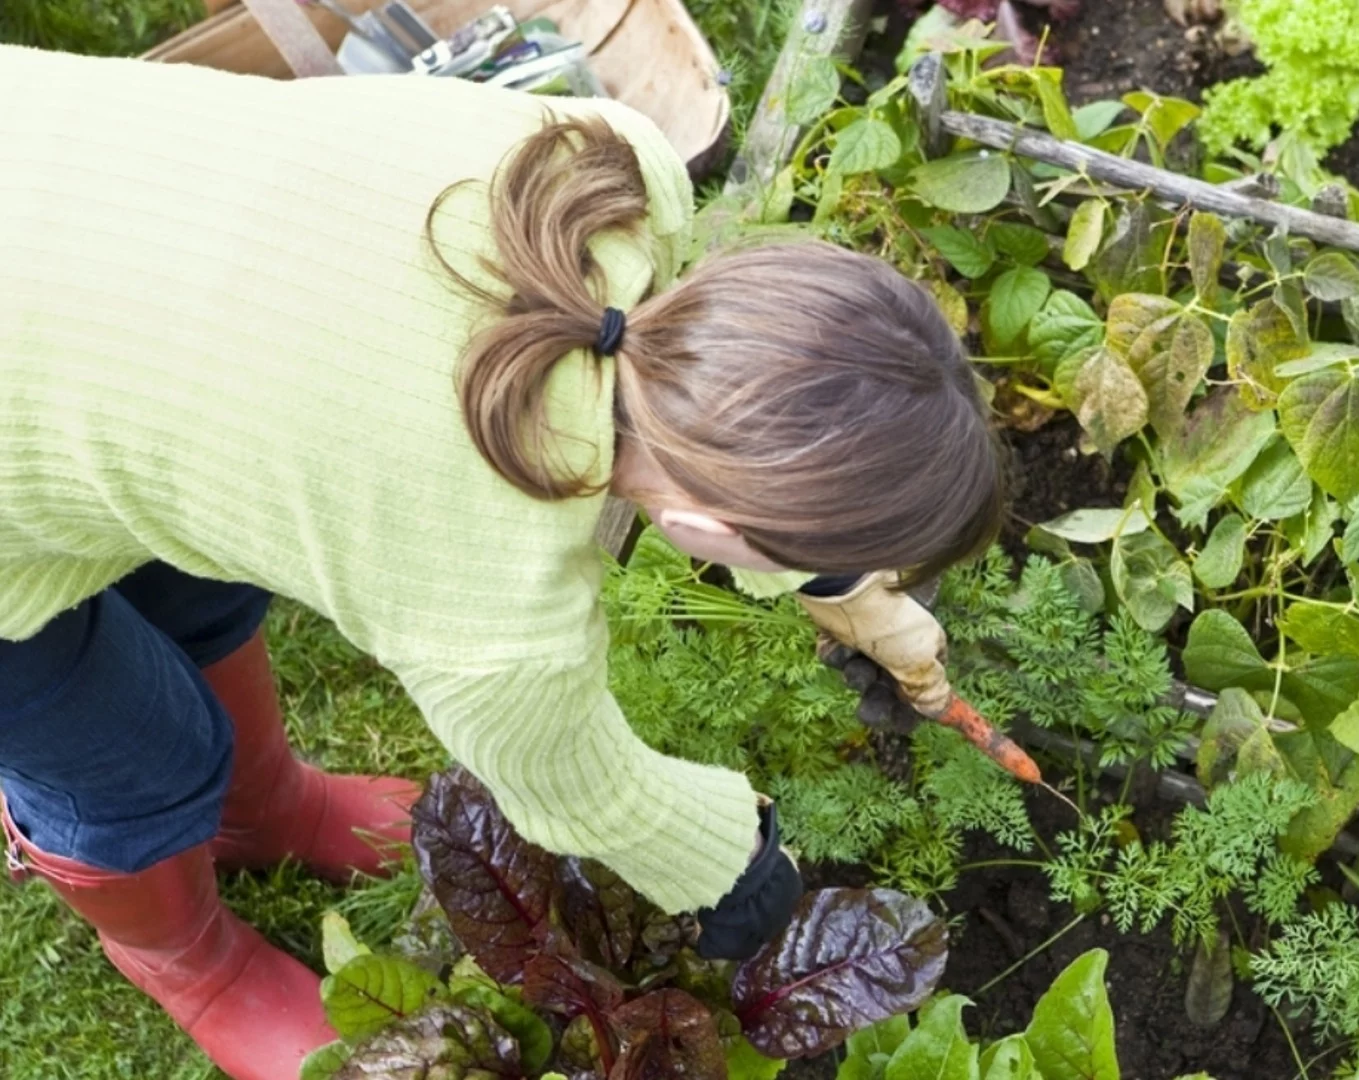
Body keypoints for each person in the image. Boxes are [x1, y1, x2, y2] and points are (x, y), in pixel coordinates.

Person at [0, 42, 1002, 1080]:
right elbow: (584, 795)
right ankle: (188, 961)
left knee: (204, 570)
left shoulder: (602, 167)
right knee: (127, 754)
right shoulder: (495, 606)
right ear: (707, 529)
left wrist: (849, 587)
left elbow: (741, 426)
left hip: (50, 175)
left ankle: (267, 809)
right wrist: (740, 871)